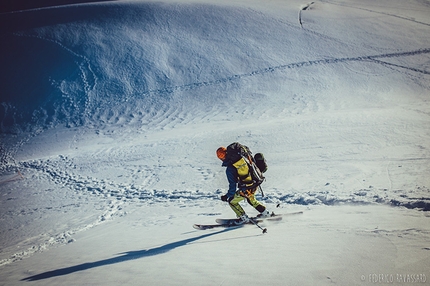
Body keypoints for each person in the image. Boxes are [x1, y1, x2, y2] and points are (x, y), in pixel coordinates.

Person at [216, 145, 271, 224]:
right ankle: (266, 214)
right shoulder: (242, 157)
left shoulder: (230, 168)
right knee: (251, 200)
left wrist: (227, 196)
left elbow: (233, 186)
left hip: (247, 187)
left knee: (232, 201)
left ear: (221, 158)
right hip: (254, 183)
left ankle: (243, 218)